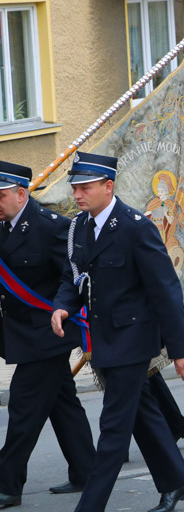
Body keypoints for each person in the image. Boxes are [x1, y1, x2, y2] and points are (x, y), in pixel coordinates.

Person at [50, 152, 184, 512]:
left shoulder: (135, 227)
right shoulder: (80, 227)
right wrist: (62, 304)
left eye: (85, 188)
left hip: (133, 340)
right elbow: (74, 275)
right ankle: (177, 481)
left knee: (113, 427)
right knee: (142, 411)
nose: (78, 195)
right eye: (75, 188)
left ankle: (90, 506)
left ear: (107, 186)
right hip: (104, 339)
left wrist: (181, 349)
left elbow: (165, 291)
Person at [0, 161, 95, 508]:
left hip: (47, 332)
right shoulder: (4, 226)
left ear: (21, 193)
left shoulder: (52, 227)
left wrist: (62, 309)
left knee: (23, 405)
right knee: (62, 402)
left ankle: (7, 484)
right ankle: (87, 470)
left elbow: (71, 277)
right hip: (19, 330)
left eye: (1, 195)